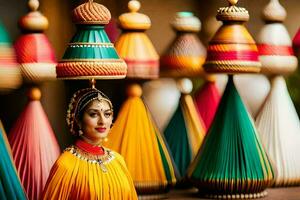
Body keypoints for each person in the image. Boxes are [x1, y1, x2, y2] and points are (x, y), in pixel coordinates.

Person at [42, 88, 138, 200]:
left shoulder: (118, 160)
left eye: (107, 114)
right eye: (93, 114)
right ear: (78, 120)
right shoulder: (66, 165)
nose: (102, 121)